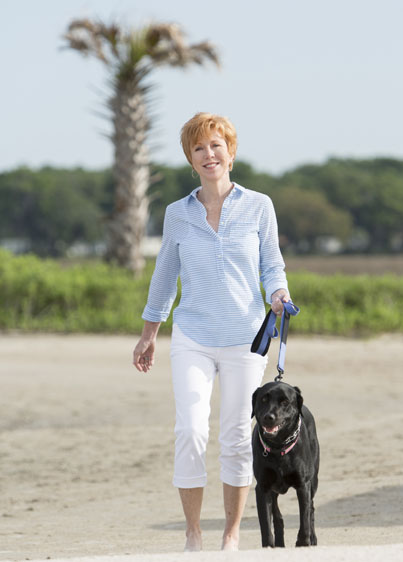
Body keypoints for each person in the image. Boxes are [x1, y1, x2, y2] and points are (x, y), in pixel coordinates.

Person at [132, 112, 290, 552]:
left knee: (239, 434)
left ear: (231, 153)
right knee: (191, 431)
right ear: (190, 158)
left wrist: (279, 293)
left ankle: (231, 536)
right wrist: (149, 333)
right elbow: (165, 276)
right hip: (193, 337)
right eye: (198, 148)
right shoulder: (177, 215)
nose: (209, 154)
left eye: (216, 145)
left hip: (246, 339)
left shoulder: (259, 206)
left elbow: (271, 264)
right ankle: (193, 534)